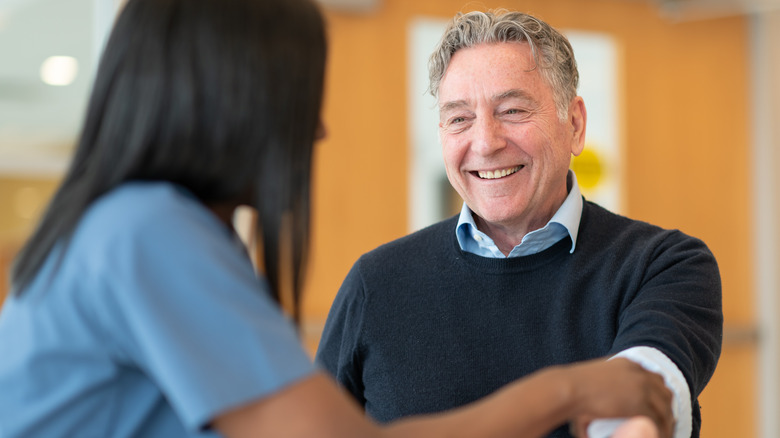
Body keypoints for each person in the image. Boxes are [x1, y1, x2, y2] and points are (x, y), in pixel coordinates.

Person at [0, 0, 674, 437]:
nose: (317, 130)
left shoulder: (133, 231)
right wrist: (569, 388)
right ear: (231, 103)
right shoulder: (146, 236)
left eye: (514, 110)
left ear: (573, 122)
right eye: (300, 100)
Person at [316, 8, 723, 438]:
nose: (486, 142)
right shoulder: (376, 283)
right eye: (459, 118)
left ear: (575, 124)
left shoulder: (663, 265)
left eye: (511, 110)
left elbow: (641, 396)